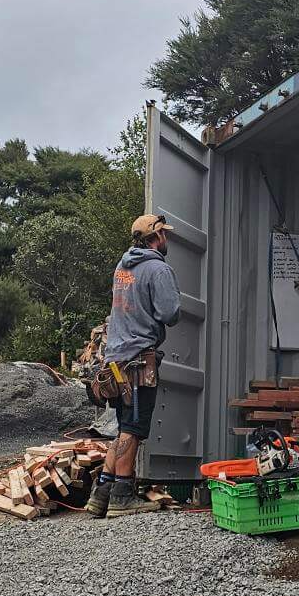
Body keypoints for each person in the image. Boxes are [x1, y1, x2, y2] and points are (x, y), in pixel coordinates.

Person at [88, 214, 182, 518]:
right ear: (157, 237)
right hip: (139, 359)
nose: (167, 238)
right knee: (134, 428)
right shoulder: (158, 268)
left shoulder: (123, 265)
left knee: (123, 424)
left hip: (115, 359)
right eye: (164, 234)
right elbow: (170, 313)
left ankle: (102, 493)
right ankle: (122, 495)